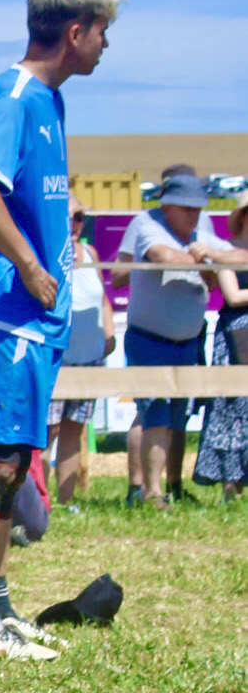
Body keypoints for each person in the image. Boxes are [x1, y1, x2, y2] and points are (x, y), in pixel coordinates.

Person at [0, 0, 119, 658]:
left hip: (37, 321)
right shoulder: (13, 94)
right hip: (6, 317)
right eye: (103, 31)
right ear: (74, 31)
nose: (107, 46)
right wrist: (26, 262)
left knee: (15, 462)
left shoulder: (50, 103)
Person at [117, 172, 221, 506]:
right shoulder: (148, 224)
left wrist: (208, 262)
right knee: (155, 416)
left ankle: (170, 486)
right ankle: (150, 492)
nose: (195, 214)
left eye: (198, 207)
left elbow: (221, 270)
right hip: (150, 339)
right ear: (169, 206)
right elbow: (162, 256)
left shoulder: (202, 232)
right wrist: (205, 258)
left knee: (177, 418)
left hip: (187, 341)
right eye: (188, 208)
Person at [49, 203, 114, 506]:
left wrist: (109, 337)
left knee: (74, 431)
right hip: (56, 360)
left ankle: (66, 500)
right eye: (69, 215)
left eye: (80, 217)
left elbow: (103, 300)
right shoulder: (46, 252)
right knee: (47, 431)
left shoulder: (91, 254)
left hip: (89, 357)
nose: (75, 222)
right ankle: (35, 500)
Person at [193, 201, 248, 501]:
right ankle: (231, 488)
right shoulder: (227, 251)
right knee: (232, 409)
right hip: (236, 336)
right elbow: (233, 295)